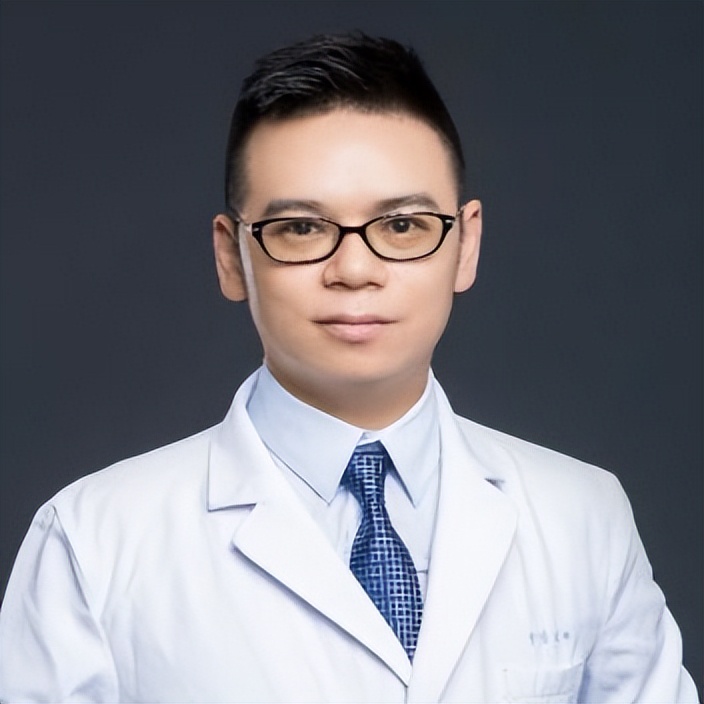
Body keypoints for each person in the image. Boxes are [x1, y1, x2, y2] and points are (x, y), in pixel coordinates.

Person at [0, 32, 697, 703]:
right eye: (301, 228)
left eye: (403, 226)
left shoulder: (582, 516)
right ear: (231, 256)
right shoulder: (92, 541)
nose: (355, 269)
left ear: (466, 245)